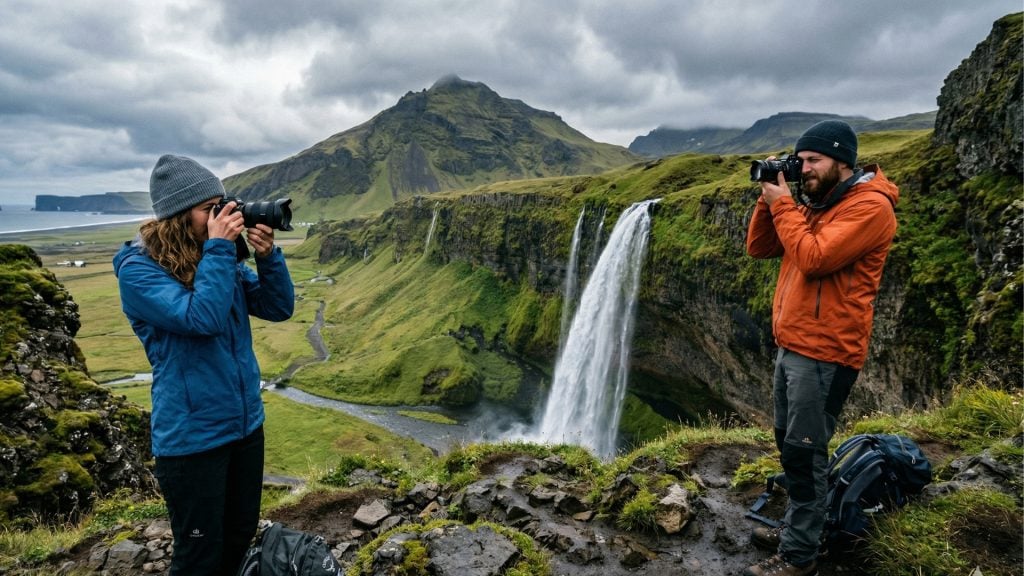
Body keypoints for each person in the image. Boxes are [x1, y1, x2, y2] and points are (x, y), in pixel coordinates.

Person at [113, 154, 294, 575]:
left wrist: (267, 259)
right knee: (198, 555)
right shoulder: (139, 272)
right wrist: (219, 247)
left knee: (237, 537)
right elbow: (202, 319)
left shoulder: (216, 258)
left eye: (223, 204)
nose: (223, 215)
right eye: (210, 209)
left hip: (245, 425)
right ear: (179, 215)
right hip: (192, 441)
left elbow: (277, 307)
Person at [743, 120, 899, 576]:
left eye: (813, 160)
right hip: (792, 346)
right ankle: (799, 528)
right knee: (789, 445)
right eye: (800, 160)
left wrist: (786, 203)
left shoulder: (869, 209)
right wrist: (769, 196)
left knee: (805, 452)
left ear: (842, 161)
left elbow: (814, 260)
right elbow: (759, 247)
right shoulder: (818, 202)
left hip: (826, 354)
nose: (804, 168)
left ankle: (798, 559)